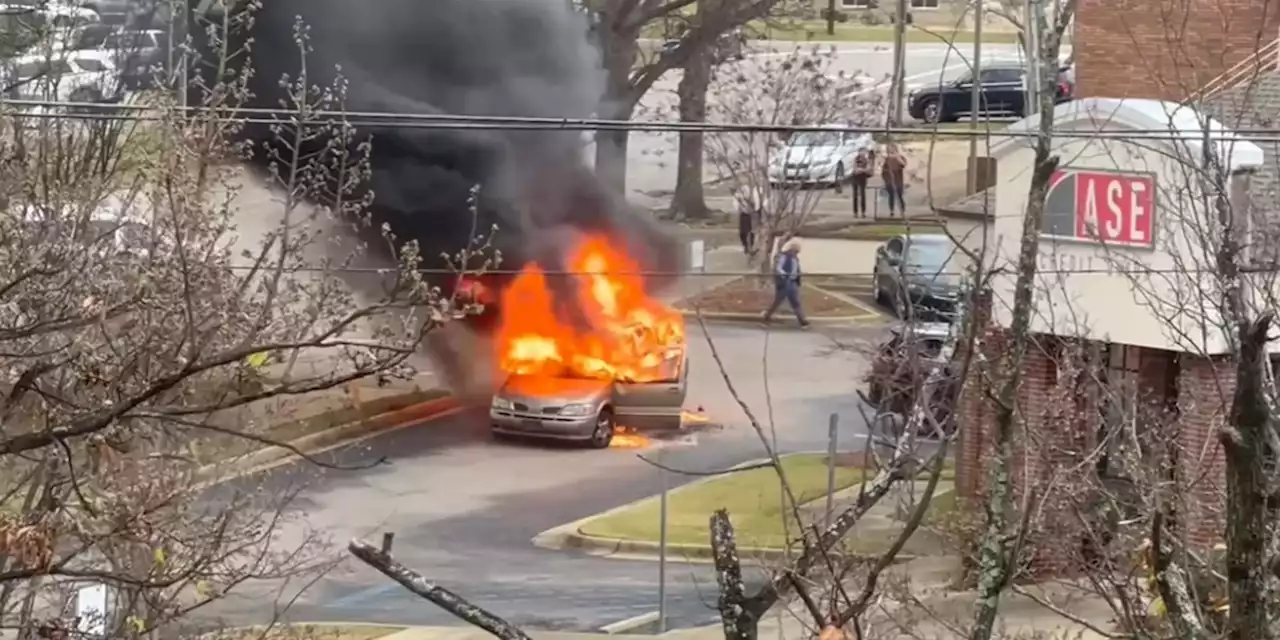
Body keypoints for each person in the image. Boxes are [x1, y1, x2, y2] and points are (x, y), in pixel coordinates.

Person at [763, 239, 809, 329]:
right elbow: (779, 268)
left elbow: (796, 269)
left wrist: (797, 276)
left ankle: (803, 321)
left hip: (792, 282)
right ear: (792, 248)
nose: (797, 252)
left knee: (795, 302)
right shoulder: (784, 256)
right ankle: (766, 317)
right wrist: (785, 276)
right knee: (777, 302)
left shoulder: (795, 258)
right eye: (796, 250)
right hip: (785, 282)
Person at [735, 185, 762, 257]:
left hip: (751, 214)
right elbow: (737, 206)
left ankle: (751, 247)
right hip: (743, 215)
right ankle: (746, 246)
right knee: (742, 233)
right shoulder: (739, 197)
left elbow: (756, 205)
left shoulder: (753, 195)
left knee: (751, 232)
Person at [881, 145, 907, 216]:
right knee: (891, 196)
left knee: (899, 195)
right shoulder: (887, 159)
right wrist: (886, 180)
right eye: (890, 149)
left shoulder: (900, 157)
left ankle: (902, 210)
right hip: (889, 180)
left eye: (893, 149)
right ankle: (892, 210)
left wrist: (897, 157)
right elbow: (883, 170)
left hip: (898, 180)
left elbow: (903, 164)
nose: (891, 151)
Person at [850, 149, 871, 218]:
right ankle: (855, 212)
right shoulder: (856, 159)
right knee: (855, 195)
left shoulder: (866, 160)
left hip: (863, 178)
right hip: (855, 178)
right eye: (861, 152)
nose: (863, 153)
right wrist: (863, 170)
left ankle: (863, 212)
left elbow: (868, 169)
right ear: (859, 152)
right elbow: (855, 169)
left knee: (863, 195)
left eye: (864, 152)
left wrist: (861, 170)